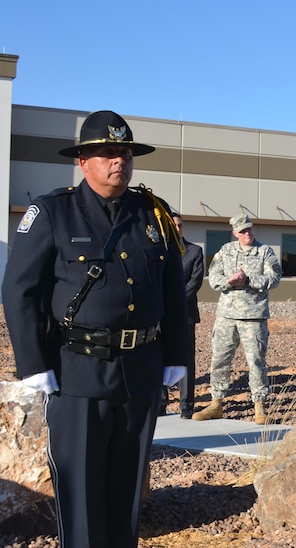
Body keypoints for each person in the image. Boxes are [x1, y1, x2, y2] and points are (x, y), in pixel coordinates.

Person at [2, 110, 188, 547]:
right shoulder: (53, 212)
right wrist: (33, 363)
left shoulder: (153, 214)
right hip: (76, 373)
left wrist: (176, 355)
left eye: (124, 153)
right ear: (83, 161)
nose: (117, 161)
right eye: (106, 153)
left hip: (140, 371)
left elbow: (174, 292)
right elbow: (18, 290)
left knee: (127, 493)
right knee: (82, 493)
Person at [192, 213, 282, 424]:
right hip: (226, 316)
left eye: (249, 229)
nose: (246, 234)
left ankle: (259, 407)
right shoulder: (225, 250)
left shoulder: (264, 251)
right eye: (242, 231)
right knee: (220, 360)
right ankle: (216, 404)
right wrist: (229, 282)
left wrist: (248, 279)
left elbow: (275, 278)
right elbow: (213, 277)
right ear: (234, 233)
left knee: (256, 362)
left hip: (253, 317)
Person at [159, 213, 204, 419]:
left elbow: (194, 283)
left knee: (185, 360)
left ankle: (186, 407)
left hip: (184, 314)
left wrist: (173, 303)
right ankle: (160, 403)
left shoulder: (195, 251)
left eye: (180, 225)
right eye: (173, 225)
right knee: (157, 358)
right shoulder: (158, 250)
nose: (177, 229)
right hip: (158, 314)